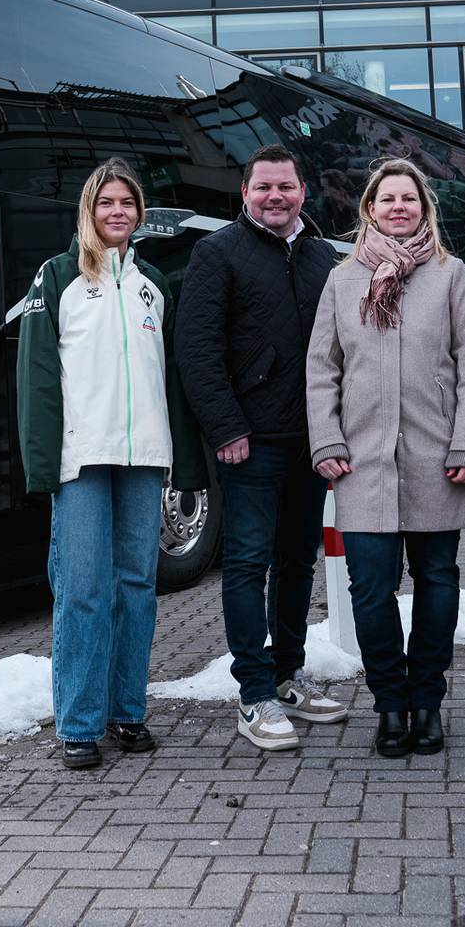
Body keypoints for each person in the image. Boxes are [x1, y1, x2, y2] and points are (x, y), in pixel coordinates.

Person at [17, 158, 206, 770]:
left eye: (127, 202)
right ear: (89, 211)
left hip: (144, 459)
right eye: (106, 202)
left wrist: (184, 461)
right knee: (83, 590)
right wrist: (42, 463)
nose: (117, 212)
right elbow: (37, 375)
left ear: (139, 212)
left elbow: (170, 378)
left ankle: (127, 712)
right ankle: (78, 724)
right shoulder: (57, 276)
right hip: (82, 460)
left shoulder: (154, 284)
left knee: (137, 589)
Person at [306, 157, 465, 758]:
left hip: (439, 458)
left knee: (437, 580)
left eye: (408, 198)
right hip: (361, 462)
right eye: (387, 199)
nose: (398, 207)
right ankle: (389, 703)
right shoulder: (343, 280)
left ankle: (427, 701)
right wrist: (327, 440)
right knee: (369, 589)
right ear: (370, 208)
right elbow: (322, 368)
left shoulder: (450, 275)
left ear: (423, 207)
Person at [177, 145, 348, 752]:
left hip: (311, 440)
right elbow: (196, 350)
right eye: (264, 187)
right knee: (248, 564)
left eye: (286, 187)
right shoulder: (217, 253)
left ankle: (287, 674)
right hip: (250, 443)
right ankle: (254, 693)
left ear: (303, 192)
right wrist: (226, 428)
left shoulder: (323, 256)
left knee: (297, 561)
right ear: (245, 193)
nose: (276, 196)